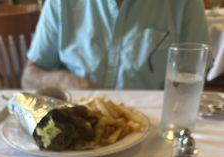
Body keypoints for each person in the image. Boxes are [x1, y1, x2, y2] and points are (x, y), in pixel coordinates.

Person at [22, 0, 209, 90]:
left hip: (153, 135)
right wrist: (64, 81)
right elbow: (29, 76)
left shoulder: (186, 3)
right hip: (79, 129)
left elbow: (194, 82)